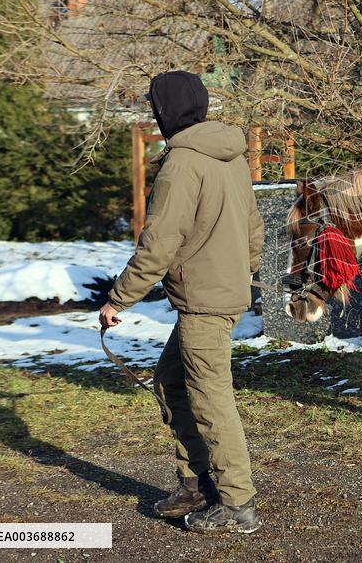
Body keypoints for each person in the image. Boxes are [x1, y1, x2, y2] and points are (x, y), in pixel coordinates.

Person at [98, 70, 265, 534]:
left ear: (164, 112)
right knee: (172, 382)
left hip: (205, 300)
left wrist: (118, 300)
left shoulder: (182, 163)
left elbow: (158, 245)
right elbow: (254, 229)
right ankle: (195, 485)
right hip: (218, 294)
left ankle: (237, 504)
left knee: (211, 399)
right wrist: (241, 275)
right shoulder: (231, 156)